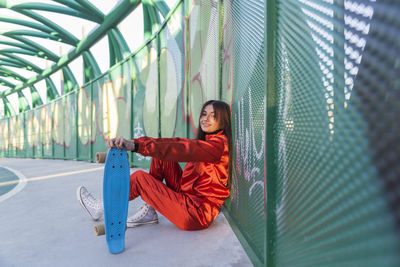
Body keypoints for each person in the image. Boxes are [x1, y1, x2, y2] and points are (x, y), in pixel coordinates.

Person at [77, 100, 232, 230]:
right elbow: (172, 144)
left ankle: (102, 206)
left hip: (196, 213)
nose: (205, 119)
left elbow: (184, 148)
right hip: (189, 196)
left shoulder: (217, 146)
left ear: (223, 120)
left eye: (213, 116)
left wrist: (136, 147)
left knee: (139, 178)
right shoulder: (209, 141)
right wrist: (136, 143)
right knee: (161, 157)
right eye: (204, 114)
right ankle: (150, 210)